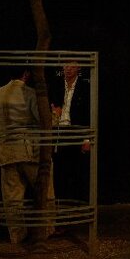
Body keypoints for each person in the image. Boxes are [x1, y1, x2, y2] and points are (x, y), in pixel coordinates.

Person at [0, 66, 54, 244]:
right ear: (27, 74)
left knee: (12, 199)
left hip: (6, 152)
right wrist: (56, 115)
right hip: (29, 151)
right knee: (45, 191)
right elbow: (44, 121)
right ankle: (47, 229)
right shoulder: (30, 93)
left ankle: (16, 235)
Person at [49, 63, 91, 202]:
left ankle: (78, 202)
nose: (68, 69)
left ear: (79, 68)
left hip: (77, 130)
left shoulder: (85, 87)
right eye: (66, 65)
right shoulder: (57, 85)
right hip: (59, 131)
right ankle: (61, 201)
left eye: (72, 66)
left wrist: (87, 139)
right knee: (60, 169)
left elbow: (87, 113)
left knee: (77, 169)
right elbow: (53, 108)